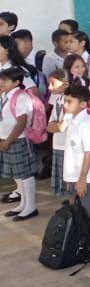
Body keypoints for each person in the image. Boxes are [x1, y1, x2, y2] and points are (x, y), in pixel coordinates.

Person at [60, 82, 90, 261]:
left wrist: (82, 179)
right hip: (73, 175)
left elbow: (89, 152)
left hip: (86, 178)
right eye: (65, 101)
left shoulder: (87, 124)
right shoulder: (72, 119)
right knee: (78, 212)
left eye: (69, 101)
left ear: (83, 104)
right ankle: (84, 242)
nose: (65, 105)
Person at [0, 67, 40, 219]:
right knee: (17, 175)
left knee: (25, 174)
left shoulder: (21, 97)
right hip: (6, 140)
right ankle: (23, 204)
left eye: (5, 80)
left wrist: (8, 140)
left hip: (18, 140)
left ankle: (30, 207)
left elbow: (22, 122)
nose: (1, 82)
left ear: (16, 82)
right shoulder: (5, 95)